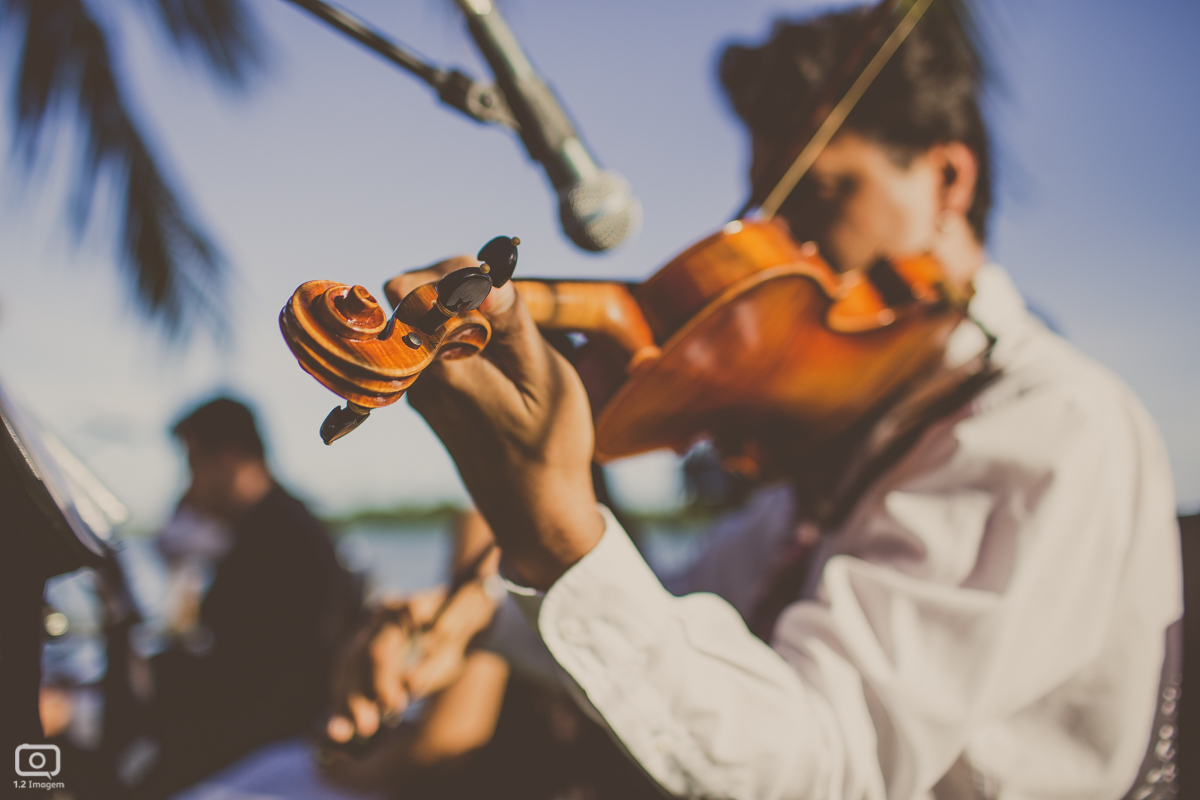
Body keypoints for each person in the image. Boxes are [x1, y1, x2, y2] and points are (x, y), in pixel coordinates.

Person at [325, 4, 1182, 799]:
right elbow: (695, 617)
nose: (789, 253)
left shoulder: (1047, 426)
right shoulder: (845, 425)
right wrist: (481, 618)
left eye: (822, 194)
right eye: (773, 213)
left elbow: (833, 760)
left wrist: (559, 536)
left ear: (948, 179)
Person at [133, 397, 360, 798]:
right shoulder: (278, 525)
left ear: (228, 459)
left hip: (271, 744)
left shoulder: (277, 543)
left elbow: (253, 680)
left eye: (193, 464)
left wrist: (147, 678)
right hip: (270, 730)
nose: (189, 485)